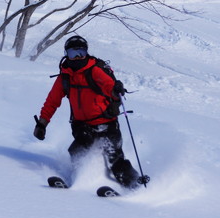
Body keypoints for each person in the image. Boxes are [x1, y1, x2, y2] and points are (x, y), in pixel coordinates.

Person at [33, 35, 146, 189]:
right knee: (76, 153)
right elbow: (52, 102)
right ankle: (78, 182)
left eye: (82, 52)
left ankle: (135, 185)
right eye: (74, 53)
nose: (78, 56)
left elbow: (108, 85)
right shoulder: (65, 77)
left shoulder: (95, 70)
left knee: (115, 158)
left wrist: (115, 89)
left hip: (107, 123)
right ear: (67, 54)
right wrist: (42, 123)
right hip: (82, 126)